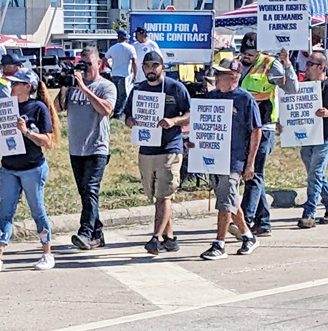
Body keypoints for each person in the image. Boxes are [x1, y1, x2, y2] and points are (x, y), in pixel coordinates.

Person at [0, 68, 60, 272]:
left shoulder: (37, 107)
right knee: (5, 212)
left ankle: (47, 252)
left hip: (32, 167)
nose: (12, 86)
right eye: (11, 83)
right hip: (9, 166)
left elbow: (48, 140)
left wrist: (27, 132)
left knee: (37, 209)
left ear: (28, 86)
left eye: (17, 83)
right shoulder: (5, 107)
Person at [124, 52, 191, 254]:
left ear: (162, 66)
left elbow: (190, 114)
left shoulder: (175, 88)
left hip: (170, 148)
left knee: (165, 195)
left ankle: (156, 237)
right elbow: (127, 116)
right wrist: (131, 122)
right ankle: (170, 238)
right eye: (147, 66)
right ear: (142, 68)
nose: (151, 70)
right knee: (156, 196)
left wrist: (173, 121)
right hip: (146, 149)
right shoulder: (138, 90)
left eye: (155, 65)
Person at [234, 32, 298, 238]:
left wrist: (287, 65)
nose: (246, 57)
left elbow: (291, 88)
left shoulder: (271, 65)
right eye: (244, 53)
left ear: (260, 51)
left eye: (251, 54)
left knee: (253, 174)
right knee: (254, 175)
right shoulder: (238, 65)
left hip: (264, 127)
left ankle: (246, 220)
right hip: (243, 128)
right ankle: (264, 222)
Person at [199, 58, 262, 260]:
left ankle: (219, 244)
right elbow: (203, 125)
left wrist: (250, 163)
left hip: (234, 158)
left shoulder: (245, 99)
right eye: (216, 74)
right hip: (214, 157)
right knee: (230, 199)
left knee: (226, 201)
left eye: (221, 74)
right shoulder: (212, 97)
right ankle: (247, 236)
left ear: (234, 75)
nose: (216, 78)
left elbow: (255, 131)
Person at [55, 46, 116, 250]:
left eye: (89, 64)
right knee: (85, 193)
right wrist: (64, 85)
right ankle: (98, 233)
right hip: (76, 148)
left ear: (99, 64)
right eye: (83, 65)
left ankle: (86, 233)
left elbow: (106, 110)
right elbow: (56, 109)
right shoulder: (73, 87)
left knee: (91, 189)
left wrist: (85, 89)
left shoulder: (106, 86)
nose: (86, 69)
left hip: (97, 147)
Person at [296, 52, 328, 228]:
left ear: (321, 67)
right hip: (308, 136)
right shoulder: (305, 86)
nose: (306, 67)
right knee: (315, 174)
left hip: (324, 137)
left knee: (315, 174)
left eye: (310, 64)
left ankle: (309, 213)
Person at [104, 29, 137, 118]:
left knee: (115, 93)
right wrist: (135, 74)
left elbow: (105, 59)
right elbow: (134, 62)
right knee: (123, 95)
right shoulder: (130, 48)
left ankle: (114, 110)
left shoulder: (113, 48)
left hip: (114, 73)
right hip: (125, 74)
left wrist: (111, 67)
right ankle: (118, 113)